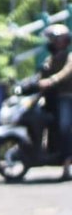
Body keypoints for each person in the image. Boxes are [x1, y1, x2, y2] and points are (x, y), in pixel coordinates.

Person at [37, 23, 72, 179]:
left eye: (54, 39)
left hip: (67, 97)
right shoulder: (49, 59)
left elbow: (66, 72)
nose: (51, 43)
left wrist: (52, 80)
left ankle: (66, 165)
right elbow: (40, 75)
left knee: (65, 128)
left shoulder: (70, 57)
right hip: (54, 99)